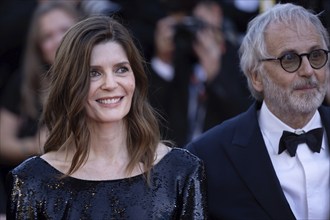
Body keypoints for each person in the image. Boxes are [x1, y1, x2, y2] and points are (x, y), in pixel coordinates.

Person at [6, 16, 207, 219]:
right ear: (69, 85)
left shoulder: (181, 171)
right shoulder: (31, 180)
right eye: (94, 73)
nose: (110, 84)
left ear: (135, 78)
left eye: (121, 69)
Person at [186, 3, 330, 220]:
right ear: (256, 76)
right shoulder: (206, 157)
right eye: (289, 59)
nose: (308, 71)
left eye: (316, 55)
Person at [0, 1, 81, 217]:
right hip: (35, 197)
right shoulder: (24, 82)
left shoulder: (102, 80)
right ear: (38, 47)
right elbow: (2, 142)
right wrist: (34, 145)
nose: (58, 40)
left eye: (65, 30)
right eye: (47, 36)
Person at [148, 0, 251, 146]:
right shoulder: (180, 58)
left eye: (198, 21)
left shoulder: (241, 59)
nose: (195, 29)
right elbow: (152, 111)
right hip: (176, 154)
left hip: (218, 155)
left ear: (216, 12)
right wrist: (163, 60)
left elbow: (245, 118)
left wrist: (215, 75)